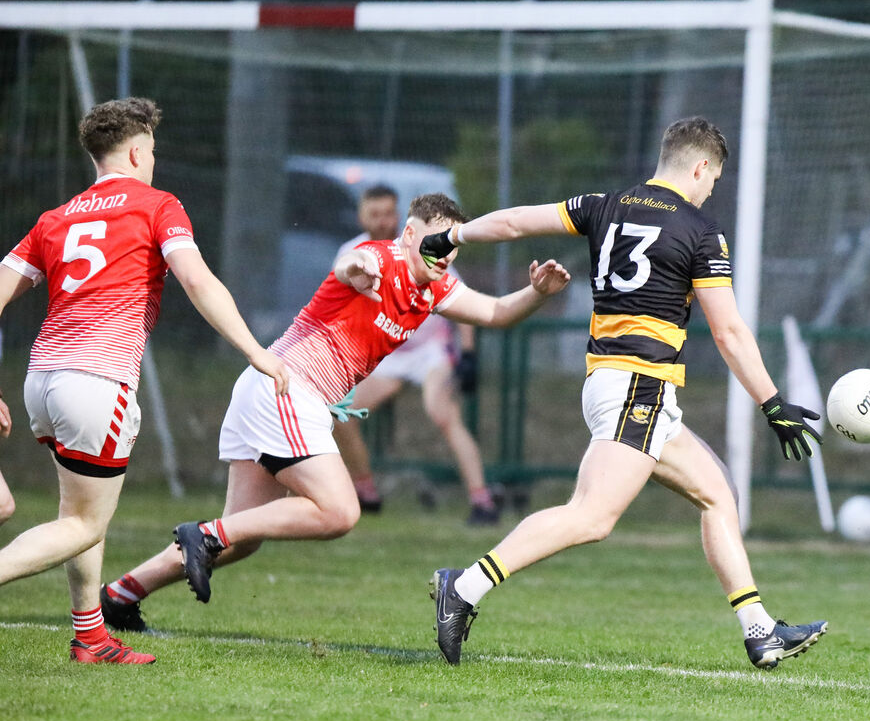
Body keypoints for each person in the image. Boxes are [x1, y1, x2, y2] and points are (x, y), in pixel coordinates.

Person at [420, 117, 828, 670]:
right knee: (591, 517)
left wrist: (449, 237)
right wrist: (772, 403)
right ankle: (462, 587)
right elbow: (729, 332)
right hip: (639, 386)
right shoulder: (701, 231)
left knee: (717, 495)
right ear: (701, 165)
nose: (713, 189)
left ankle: (759, 631)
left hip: (612, 383)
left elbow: (516, 221)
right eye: (715, 178)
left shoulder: (602, 204)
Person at [100, 193, 568, 632]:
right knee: (339, 512)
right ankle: (203, 534)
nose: (444, 253)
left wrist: (537, 293)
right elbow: (353, 264)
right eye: (434, 240)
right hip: (286, 389)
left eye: (452, 245)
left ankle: (121, 595)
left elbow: (496, 313)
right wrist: (356, 266)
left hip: (276, 395)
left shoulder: (436, 286)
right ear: (408, 233)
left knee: (242, 541)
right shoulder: (379, 259)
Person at [0, 97, 289, 664]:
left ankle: (90, 637)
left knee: (79, 511)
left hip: (43, 379)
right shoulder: (158, 205)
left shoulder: (55, 218)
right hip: (97, 382)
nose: (153, 161)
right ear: (136, 151)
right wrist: (256, 350)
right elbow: (199, 282)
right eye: (152, 151)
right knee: (85, 521)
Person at [331, 185, 497, 524]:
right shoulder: (354, 251)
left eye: (387, 213)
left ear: (402, 220)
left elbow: (463, 300)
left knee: (442, 414)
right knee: (339, 415)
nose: (381, 221)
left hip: (429, 351)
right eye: (373, 214)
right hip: (387, 353)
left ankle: (483, 501)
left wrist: (468, 353)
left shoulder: (425, 247)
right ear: (362, 216)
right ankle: (365, 491)